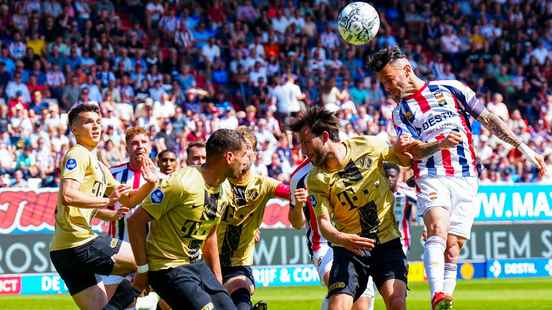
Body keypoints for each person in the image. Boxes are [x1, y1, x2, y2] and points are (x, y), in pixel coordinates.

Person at [367, 46, 547, 310]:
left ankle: (442, 303)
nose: (388, 89)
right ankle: (437, 293)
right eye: (383, 84)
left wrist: (524, 147)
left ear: (406, 70)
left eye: (390, 81)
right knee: (437, 228)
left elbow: (489, 120)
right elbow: (413, 152)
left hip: (466, 176)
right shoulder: (401, 112)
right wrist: (438, 145)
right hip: (431, 175)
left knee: (453, 249)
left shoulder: (451, 88)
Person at [289, 107, 410, 310]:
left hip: (377, 240)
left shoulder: (362, 148)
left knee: (368, 304)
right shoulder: (302, 178)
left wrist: (407, 150)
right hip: (326, 244)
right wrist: (299, 205)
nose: (303, 150)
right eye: (300, 143)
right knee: (350, 301)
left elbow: (403, 160)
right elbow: (297, 222)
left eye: (306, 142)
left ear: (325, 137)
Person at [49, 104, 158, 310]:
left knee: (101, 307)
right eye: (89, 122)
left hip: (62, 251)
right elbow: (68, 195)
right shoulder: (78, 154)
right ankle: (142, 299)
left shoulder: (98, 164)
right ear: (74, 129)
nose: (96, 126)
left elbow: (127, 200)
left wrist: (150, 185)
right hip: (79, 242)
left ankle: (128, 297)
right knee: (147, 261)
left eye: (98, 122)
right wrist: (107, 201)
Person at [128, 129, 249, 310]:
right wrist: (143, 270)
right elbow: (135, 221)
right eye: (244, 155)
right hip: (167, 268)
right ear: (229, 157)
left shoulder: (224, 188)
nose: (246, 162)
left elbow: (209, 233)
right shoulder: (181, 183)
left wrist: (216, 277)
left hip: (196, 265)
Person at [217, 126, 290, 310]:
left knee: (240, 293)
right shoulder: (216, 182)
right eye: (238, 148)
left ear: (254, 154)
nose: (243, 153)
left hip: (238, 266)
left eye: (247, 148)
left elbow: (294, 193)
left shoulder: (264, 184)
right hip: (206, 260)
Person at [289, 158, 376, 310]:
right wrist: (298, 206)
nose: (306, 147)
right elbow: (297, 224)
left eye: (309, 141)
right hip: (323, 246)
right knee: (345, 291)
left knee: (361, 305)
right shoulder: (299, 176)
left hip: (352, 240)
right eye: (303, 142)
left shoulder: (349, 161)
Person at [99, 127, 162, 310]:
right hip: (117, 250)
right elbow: (97, 207)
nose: (139, 146)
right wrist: (109, 211)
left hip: (151, 252)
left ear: (150, 146)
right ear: (127, 147)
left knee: (166, 302)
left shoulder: (163, 178)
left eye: (143, 142)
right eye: (134, 143)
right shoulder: (113, 175)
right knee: (113, 305)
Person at [383, 162, 417, 255]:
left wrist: (426, 228)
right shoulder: (375, 192)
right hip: (379, 241)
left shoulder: (405, 192)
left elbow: (423, 203)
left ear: (398, 176)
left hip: (401, 240)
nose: (389, 179)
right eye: (386, 176)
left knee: (398, 269)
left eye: (392, 176)